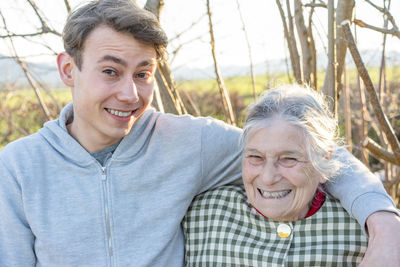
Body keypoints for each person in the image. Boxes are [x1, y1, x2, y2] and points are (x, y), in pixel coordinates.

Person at [0, 0, 398, 266]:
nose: (130, 93)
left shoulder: (190, 142)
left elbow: (313, 152)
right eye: (110, 71)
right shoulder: (18, 167)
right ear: (69, 70)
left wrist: (384, 223)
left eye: (143, 74)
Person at [183, 85, 375, 265]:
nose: (267, 178)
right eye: (255, 157)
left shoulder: (366, 235)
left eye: (288, 159)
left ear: (324, 159)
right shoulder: (202, 215)